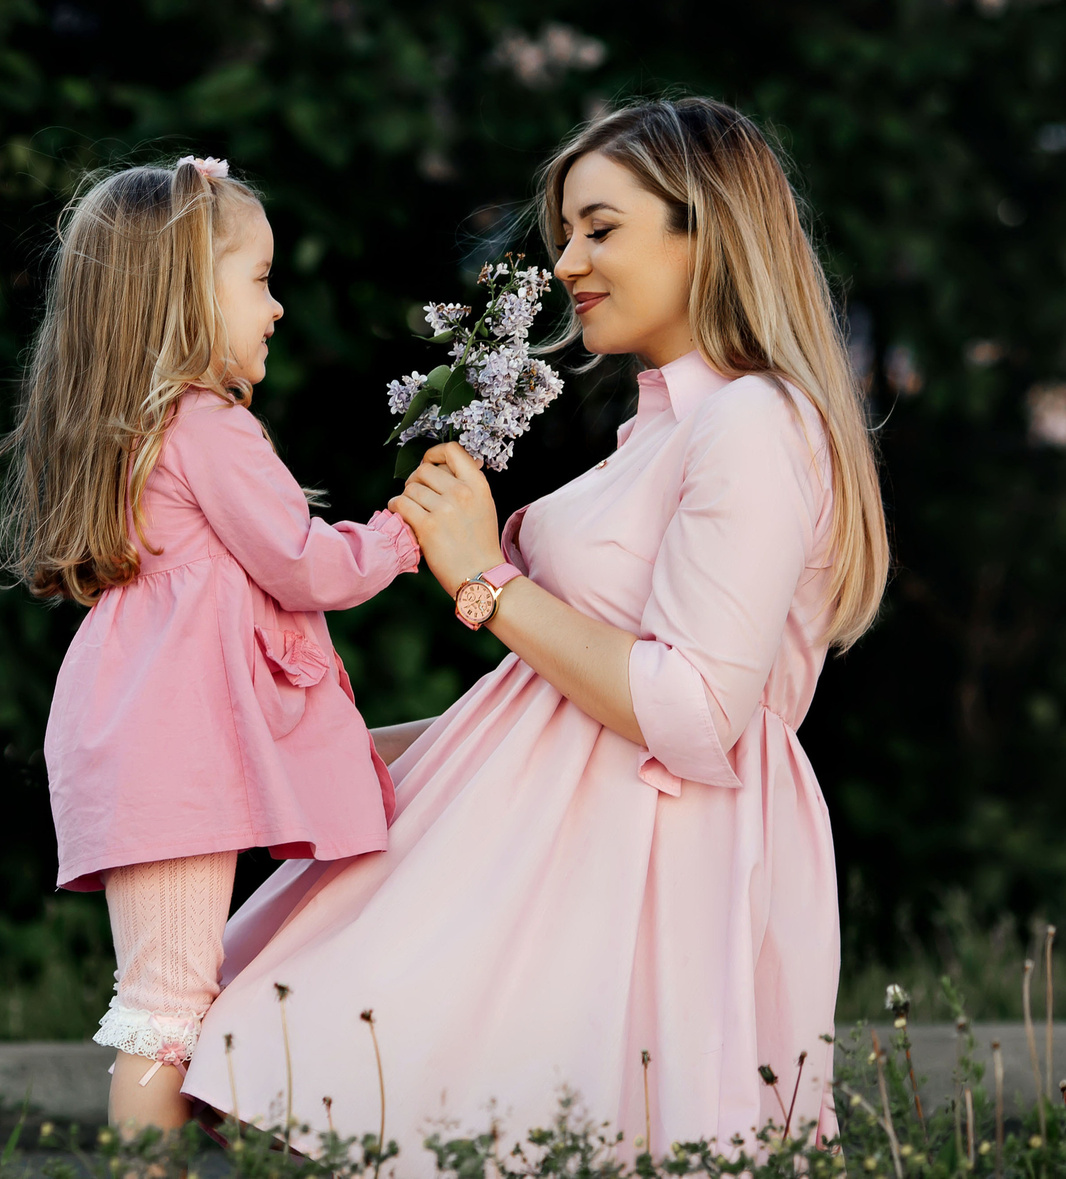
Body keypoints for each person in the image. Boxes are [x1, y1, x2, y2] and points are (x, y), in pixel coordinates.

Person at [182, 99, 888, 1162]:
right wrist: (335, 751)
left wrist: (484, 580)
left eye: (600, 228)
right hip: (559, 857)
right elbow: (548, 715)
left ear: (705, 232)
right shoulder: (664, 429)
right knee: (293, 1061)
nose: (566, 262)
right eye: (566, 232)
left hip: (643, 874)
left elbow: (696, 711)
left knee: (342, 1081)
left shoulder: (752, 422)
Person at [0, 156, 420, 1133]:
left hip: (148, 739)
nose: (277, 306)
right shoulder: (207, 426)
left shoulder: (137, 429)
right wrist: (399, 538)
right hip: (171, 750)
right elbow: (302, 566)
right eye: (258, 279)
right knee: (164, 1006)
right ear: (186, 295)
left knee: (174, 994)